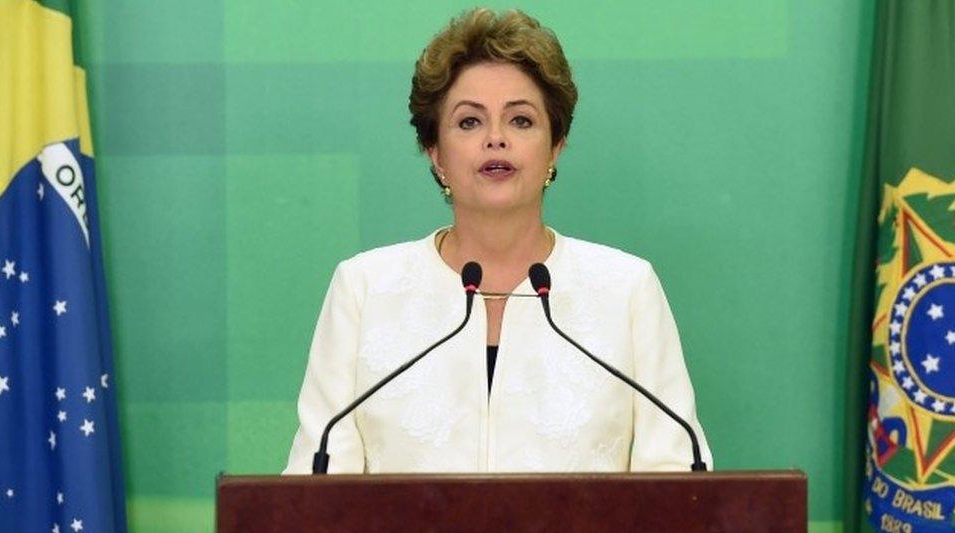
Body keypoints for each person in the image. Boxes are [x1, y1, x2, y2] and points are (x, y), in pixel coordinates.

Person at [283, 8, 711, 474]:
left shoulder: (627, 290)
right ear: (435, 153)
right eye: (469, 122)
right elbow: (316, 492)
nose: (495, 139)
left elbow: (677, 485)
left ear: (556, 145)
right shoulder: (364, 289)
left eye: (521, 121)